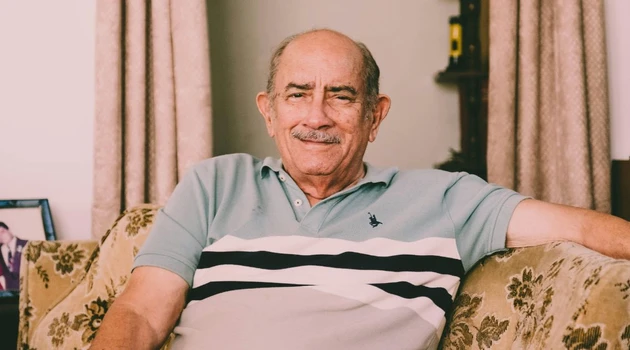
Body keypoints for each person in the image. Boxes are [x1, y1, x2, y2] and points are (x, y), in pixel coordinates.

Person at [91, 29, 630, 350]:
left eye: (341, 96)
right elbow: (140, 314)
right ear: (269, 111)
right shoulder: (213, 183)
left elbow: (580, 227)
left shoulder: (444, 200)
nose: (316, 116)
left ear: (375, 115)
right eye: (298, 94)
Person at [0, 222, 28, 291]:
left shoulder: (26, 244)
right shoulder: (0, 251)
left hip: (28, 289)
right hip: (12, 293)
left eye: (2, 232)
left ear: (9, 230)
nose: (1, 236)